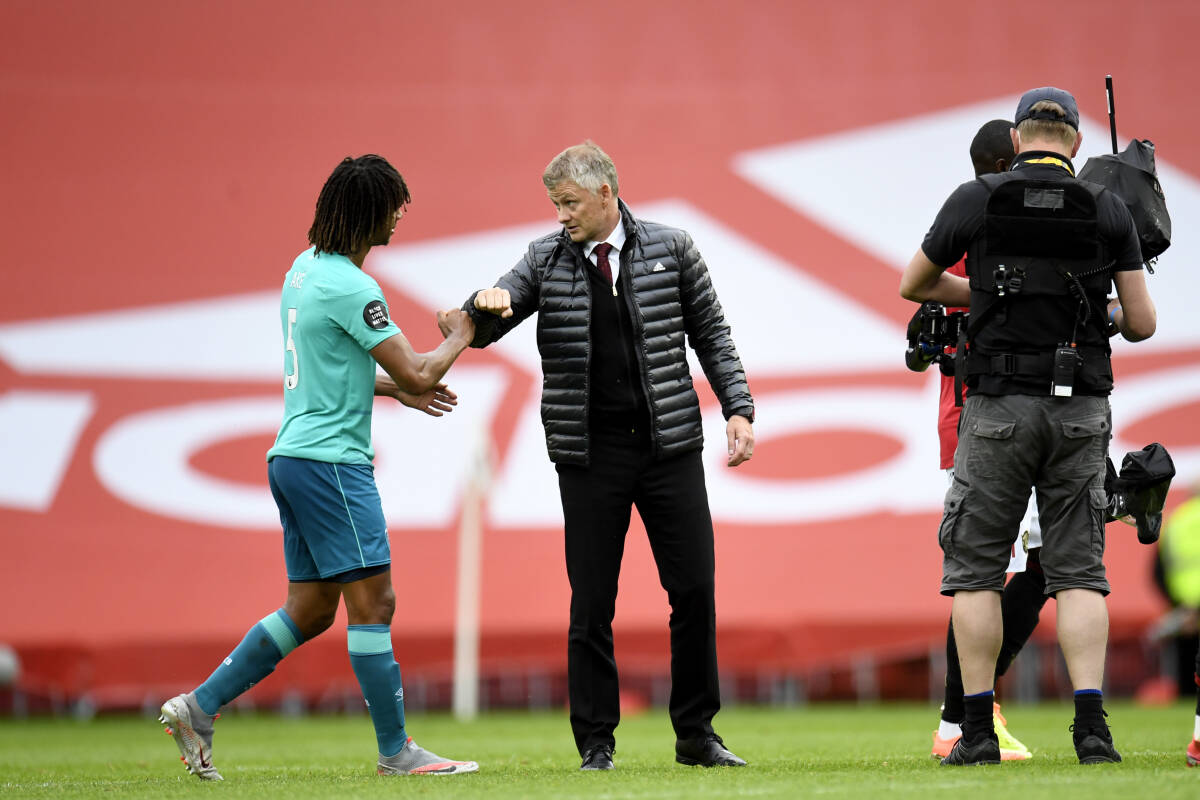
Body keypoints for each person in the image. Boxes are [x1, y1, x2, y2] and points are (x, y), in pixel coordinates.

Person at [159, 154, 479, 780]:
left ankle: (198, 708)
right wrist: (461, 333)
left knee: (309, 611)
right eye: (394, 205)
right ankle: (397, 754)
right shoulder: (354, 287)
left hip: (292, 457)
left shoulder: (303, 272)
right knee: (375, 602)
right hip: (333, 464)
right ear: (369, 213)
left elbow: (330, 368)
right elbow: (422, 366)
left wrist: (387, 392)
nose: (400, 215)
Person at [456, 141, 754, 771]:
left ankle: (696, 734)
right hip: (590, 456)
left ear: (606, 194)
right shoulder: (543, 259)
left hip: (669, 448)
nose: (561, 215)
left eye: (569, 202)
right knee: (592, 603)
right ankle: (596, 742)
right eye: (554, 204)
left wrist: (739, 407)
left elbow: (712, 335)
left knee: (695, 591)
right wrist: (477, 309)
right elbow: (496, 311)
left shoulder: (673, 248)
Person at [900, 87, 1156, 765]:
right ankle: (1092, 731)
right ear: (1074, 141)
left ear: (1017, 139)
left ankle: (975, 732)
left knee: (978, 572)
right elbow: (1141, 322)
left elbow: (915, 283)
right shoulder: (1108, 207)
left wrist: (984, 292)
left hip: (994, 411)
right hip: (1079, 410)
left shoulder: (975, 197)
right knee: (1078, 573)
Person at [927, 119, 1042, 762]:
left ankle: (968, 712)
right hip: (986, 415)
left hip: (1006, 415)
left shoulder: (975, 221)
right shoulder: (986, 224)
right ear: (1009, 159)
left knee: (1039, 565)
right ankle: (963, 718)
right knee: (991, 574)